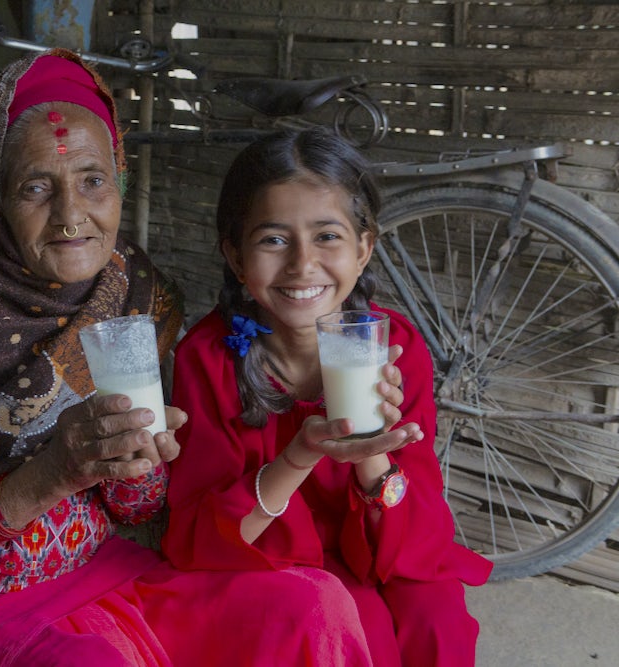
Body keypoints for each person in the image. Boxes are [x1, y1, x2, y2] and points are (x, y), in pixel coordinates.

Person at [0, 51, 375, 667]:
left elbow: (140, 512)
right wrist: (56, 471)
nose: (72, 217)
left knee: (312, 607)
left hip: (110, 566)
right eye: (36, 187)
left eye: (93, 179)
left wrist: (135, 462)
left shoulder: (128, 289)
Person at [162, 126, 495, 666]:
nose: (301, 265)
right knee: (354, 633)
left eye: (327, 236)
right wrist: (303, 455)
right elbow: (202, 539)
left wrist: (370, 450)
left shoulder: (397, 349)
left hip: (384, 536)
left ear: (364, 248)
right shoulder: (209, 357)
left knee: (438, 626)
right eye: (273, 239)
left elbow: (415, 539)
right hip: (266, 560)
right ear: (235, 255)